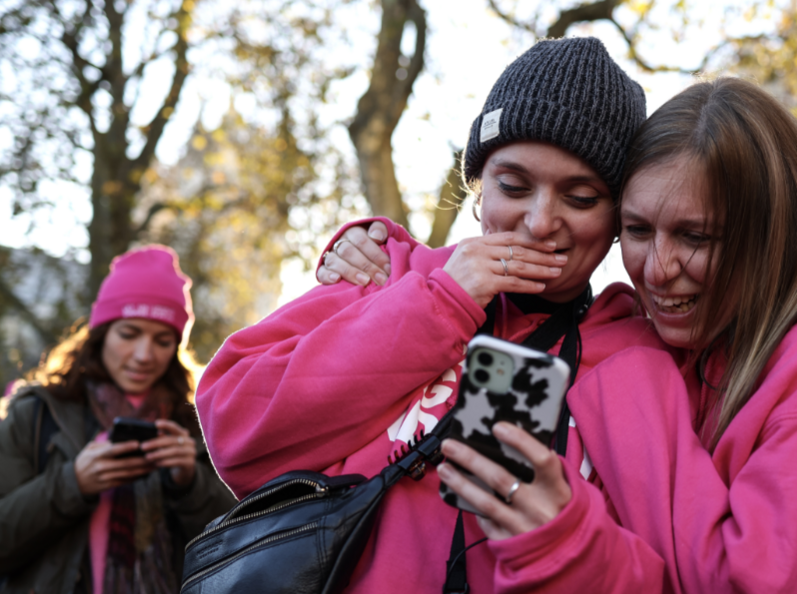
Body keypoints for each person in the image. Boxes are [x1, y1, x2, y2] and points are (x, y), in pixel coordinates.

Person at [323, 78, 797, 592]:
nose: (657, 269)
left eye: (696, 236)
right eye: (640, 231)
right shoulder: (684, 340)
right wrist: (389, 254)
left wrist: (565, 542)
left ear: (774, 233)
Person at [196, 37, 687, 593]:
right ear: (478, 188)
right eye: (513, 186)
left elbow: (674, 574)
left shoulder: (641, 358)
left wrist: (569, 538)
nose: (540, 221)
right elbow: (234, 429)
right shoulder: (390, 276)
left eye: (580, 197)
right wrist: (440, 301)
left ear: (619, 217)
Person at [0, 246, 236, 594]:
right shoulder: (35, 413)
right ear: (102, 333)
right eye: (129, 334)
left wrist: (190, 483)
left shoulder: (199, 424)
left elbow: (235, 547)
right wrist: (72, 484)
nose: (144, 355)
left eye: (162, 340)